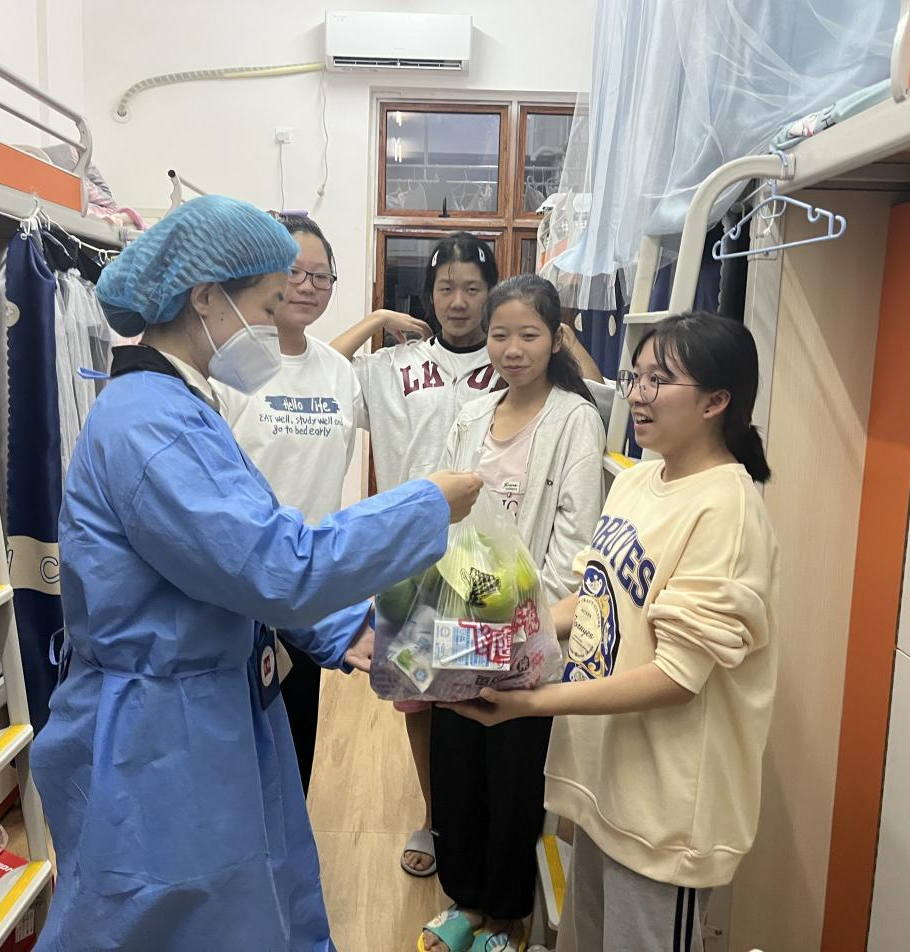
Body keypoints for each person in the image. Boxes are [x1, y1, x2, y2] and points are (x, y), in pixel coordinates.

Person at [30, 195, 483, 951]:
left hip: (206, 703)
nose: (277, 327)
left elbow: (235, 552)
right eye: (269, 306)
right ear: (206, 298)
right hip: (157, 735)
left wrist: (346, 630)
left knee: (258, 899)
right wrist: (426, 503)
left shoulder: (182, 405)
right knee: (172, 921)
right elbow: (274, 565)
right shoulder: (151, 426)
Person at [449, 312, 779, 952]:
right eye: (637, 376)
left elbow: (677, 678)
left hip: (667, 812)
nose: (638, 393)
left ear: (716, 402)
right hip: (608, 783)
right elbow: (594, 599)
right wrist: (502, 637)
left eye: (660, 380)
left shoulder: (727, 510)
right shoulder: (636, 481)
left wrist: (533, 704)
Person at [419, 275, 606, 952]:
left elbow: (574, 540)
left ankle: (506, 916)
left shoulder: (575, 419)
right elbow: (441, 514)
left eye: (529, 334)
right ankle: (464, 901)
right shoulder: (471, 415)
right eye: (500, 334)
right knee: (455, 766)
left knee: (513, 776)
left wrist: (518, 626)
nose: (512, 349)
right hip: (457, 620)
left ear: (556, 339)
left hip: (528, 632)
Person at [331, 232, 502, 879]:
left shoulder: (511, 360)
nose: (457, 302)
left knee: (489, 694)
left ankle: (485, 819)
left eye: (472, 288)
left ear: (491, 293)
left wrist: (558, 332)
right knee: (420, 700)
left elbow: (593, 397)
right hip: (409, 561)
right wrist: (376, 318)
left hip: (489, 564)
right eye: (445, 288)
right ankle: (434, 816)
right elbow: (316, 378)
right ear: (428, 294)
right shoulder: (390, 366)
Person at [214, 213, 359, 795]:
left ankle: (288, 847)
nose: (306, 286)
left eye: (321, 276)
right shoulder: (230, 369)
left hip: (308, 590)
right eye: (294, 272)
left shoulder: (339, 372)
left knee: (297, 744)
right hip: (239, 590)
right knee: (237, 752)